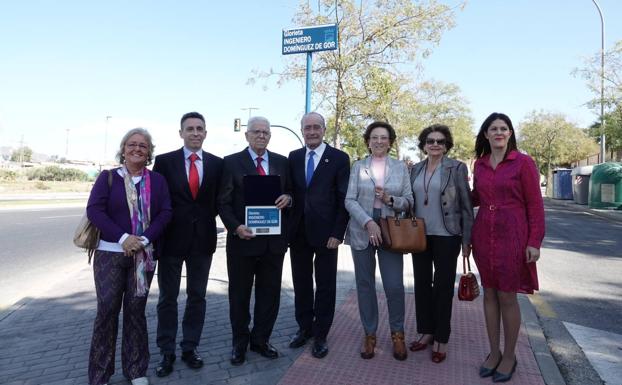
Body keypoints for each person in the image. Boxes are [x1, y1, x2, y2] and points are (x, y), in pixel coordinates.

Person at [87, 128, 172, 385]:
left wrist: (144, 238)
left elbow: (166, 212)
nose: (137, 149)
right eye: (132, 144)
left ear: (149, 153)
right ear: (123, 149)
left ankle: (136, 370)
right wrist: (124, 238)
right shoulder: (108, 178)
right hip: (110, 254)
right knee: (106, 312)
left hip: (143, 257)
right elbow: (95, 211)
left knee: (136, 313)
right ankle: (100, 374)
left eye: (143, 146)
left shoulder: (157, 181)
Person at [471, 113, 545, 382]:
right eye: (494, 128)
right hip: (483, 235)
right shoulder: (479, 165)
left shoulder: (523, 163)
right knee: (488, 294)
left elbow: (535, 205)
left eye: (504, 128)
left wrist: (534, 241)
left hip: (513, 235)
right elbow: (476, 197)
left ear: (510, 134)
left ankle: (510, 356)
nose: (499, 132)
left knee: (507, 297)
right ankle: (493, 352)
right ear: (486, 134)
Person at [153, 112, 223, 377]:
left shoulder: (218, 164)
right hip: (171, 240)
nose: (195, 133)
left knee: (197, 297)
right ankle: (166, 351)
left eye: (200, 129)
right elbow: (156, 200)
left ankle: (190, 347)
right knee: (167, 298)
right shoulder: (164, 162)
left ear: (206, 133)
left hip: (202, 241)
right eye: (190, 129)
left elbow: (221, 200)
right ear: (180, 133)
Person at [217, 116, 292, 366]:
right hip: (242, 241)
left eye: (265, 133)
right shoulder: (231, 163)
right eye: (256, 132)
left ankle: (261, 340)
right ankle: (239, 344)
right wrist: (236, 227)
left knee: (269, 294)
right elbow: (223, 202)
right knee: (239, 295)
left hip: (273, 243)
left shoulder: (282, 162)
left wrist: (288, 199)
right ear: (246, 135)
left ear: (270, 136)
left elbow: (291, 192)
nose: (261, 136)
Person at [344, 121, 413, 361]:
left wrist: (390, 200)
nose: (379, 141)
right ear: (368, 141)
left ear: (390, 141)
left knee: (394, 285)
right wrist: (368, 222)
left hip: (391, 230)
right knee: (364, 284)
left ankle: (397, 334)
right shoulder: (358, 166)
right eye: (374, 137)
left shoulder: (401, 168)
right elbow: (349, 200)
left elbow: (409, 200)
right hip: (363, 228)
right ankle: (370, 335)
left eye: (384, 137)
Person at [287, 112, 350, 358]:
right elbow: (290, 190)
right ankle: (304, 328)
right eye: (307, 128)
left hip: (327, 235)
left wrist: (338, 232)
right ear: (301, 130)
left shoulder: (339, 158)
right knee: (301, 283)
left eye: (316, 127)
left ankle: (321, 334)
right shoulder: (293, 157)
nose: (311, 132)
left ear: (324, 129)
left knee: (325, 285)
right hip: (298, 232)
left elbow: (342, 198)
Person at [408, 124, 473, 363]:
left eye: (440, 141)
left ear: (447, 146)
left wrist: (467, 240)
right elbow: (409, 200)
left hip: (448, 235)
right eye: (430, 141)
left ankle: (441, 338)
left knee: (443, 288)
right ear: (424, 145)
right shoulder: (414, 169)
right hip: (420, 235)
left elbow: (466, 206)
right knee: (422, 284)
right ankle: (425, 332)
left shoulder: (456, 168)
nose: (435, 145)